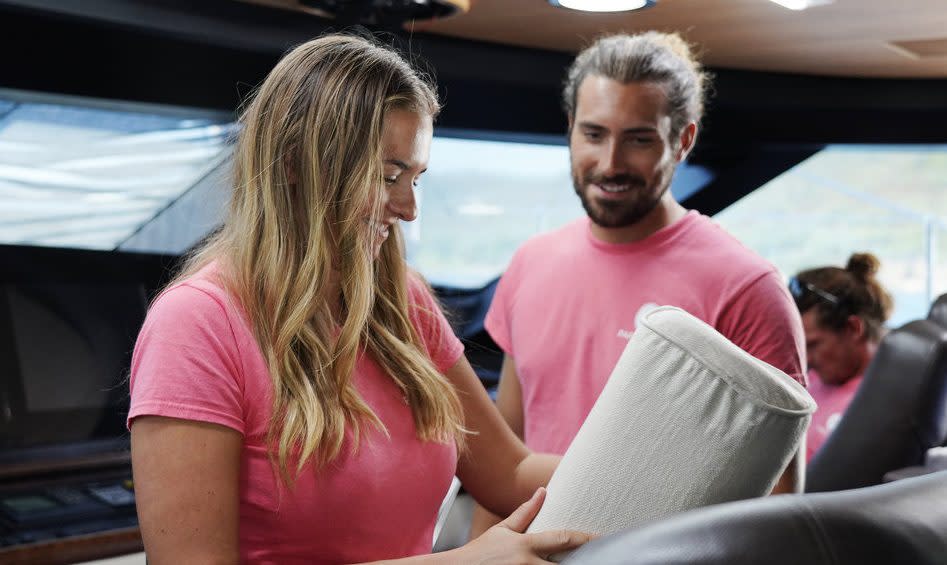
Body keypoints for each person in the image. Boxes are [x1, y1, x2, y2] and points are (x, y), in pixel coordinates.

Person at [127, 34, 592, 564]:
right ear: (295, 165)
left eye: (415, 178)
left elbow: (510, 473)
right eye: (387, 176)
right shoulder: (196, 323)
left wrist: (666, 478)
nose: (409, 208)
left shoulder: (403, 304)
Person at [470, 31, 807, 536]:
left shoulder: (746, 286)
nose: (610, 163)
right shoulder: (530, 263)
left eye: (639, 139)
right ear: (570, 130)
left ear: (683, 140)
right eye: (594, 134)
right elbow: (504, 465)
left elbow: (776, 509)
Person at [789, 252, 894, 461]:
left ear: (853, 328)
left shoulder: (878, 404)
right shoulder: (816, 378)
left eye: (813, 344)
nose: (806, 360)